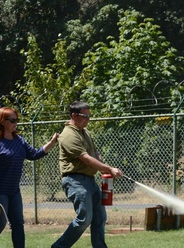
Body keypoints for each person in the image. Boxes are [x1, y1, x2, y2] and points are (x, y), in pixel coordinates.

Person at [52, 101, 123, 248]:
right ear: (74, 115)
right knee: (84, 218)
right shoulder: (68, 135)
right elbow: (85, 159)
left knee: (99, 218)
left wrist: (103, 167)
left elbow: (94, 154)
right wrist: (109, 169)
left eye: (89, 116)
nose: (88, 119)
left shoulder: (85, 132)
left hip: (90, 181)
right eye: (85, 116)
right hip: (75, 181)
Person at [0, 107, 59, 248]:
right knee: (0, 224)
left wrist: (52, 142)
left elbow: (34, 154)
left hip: (14, 191)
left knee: (18, 224)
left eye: (17, 120)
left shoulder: (18, 140)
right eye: (12, 120)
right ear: (2, 121)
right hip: (0, 192)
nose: (16, 123)